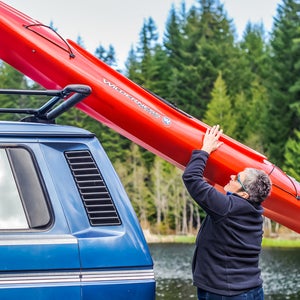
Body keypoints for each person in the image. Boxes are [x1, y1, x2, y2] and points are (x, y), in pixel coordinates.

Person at [182, 125, 272, 300]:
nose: (231, 176)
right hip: (252, 290)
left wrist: (205, 150)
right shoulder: (255, 212)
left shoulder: (228, 208)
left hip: (225, 293)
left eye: (237, 178)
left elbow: (191, 178)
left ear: (245, 194)